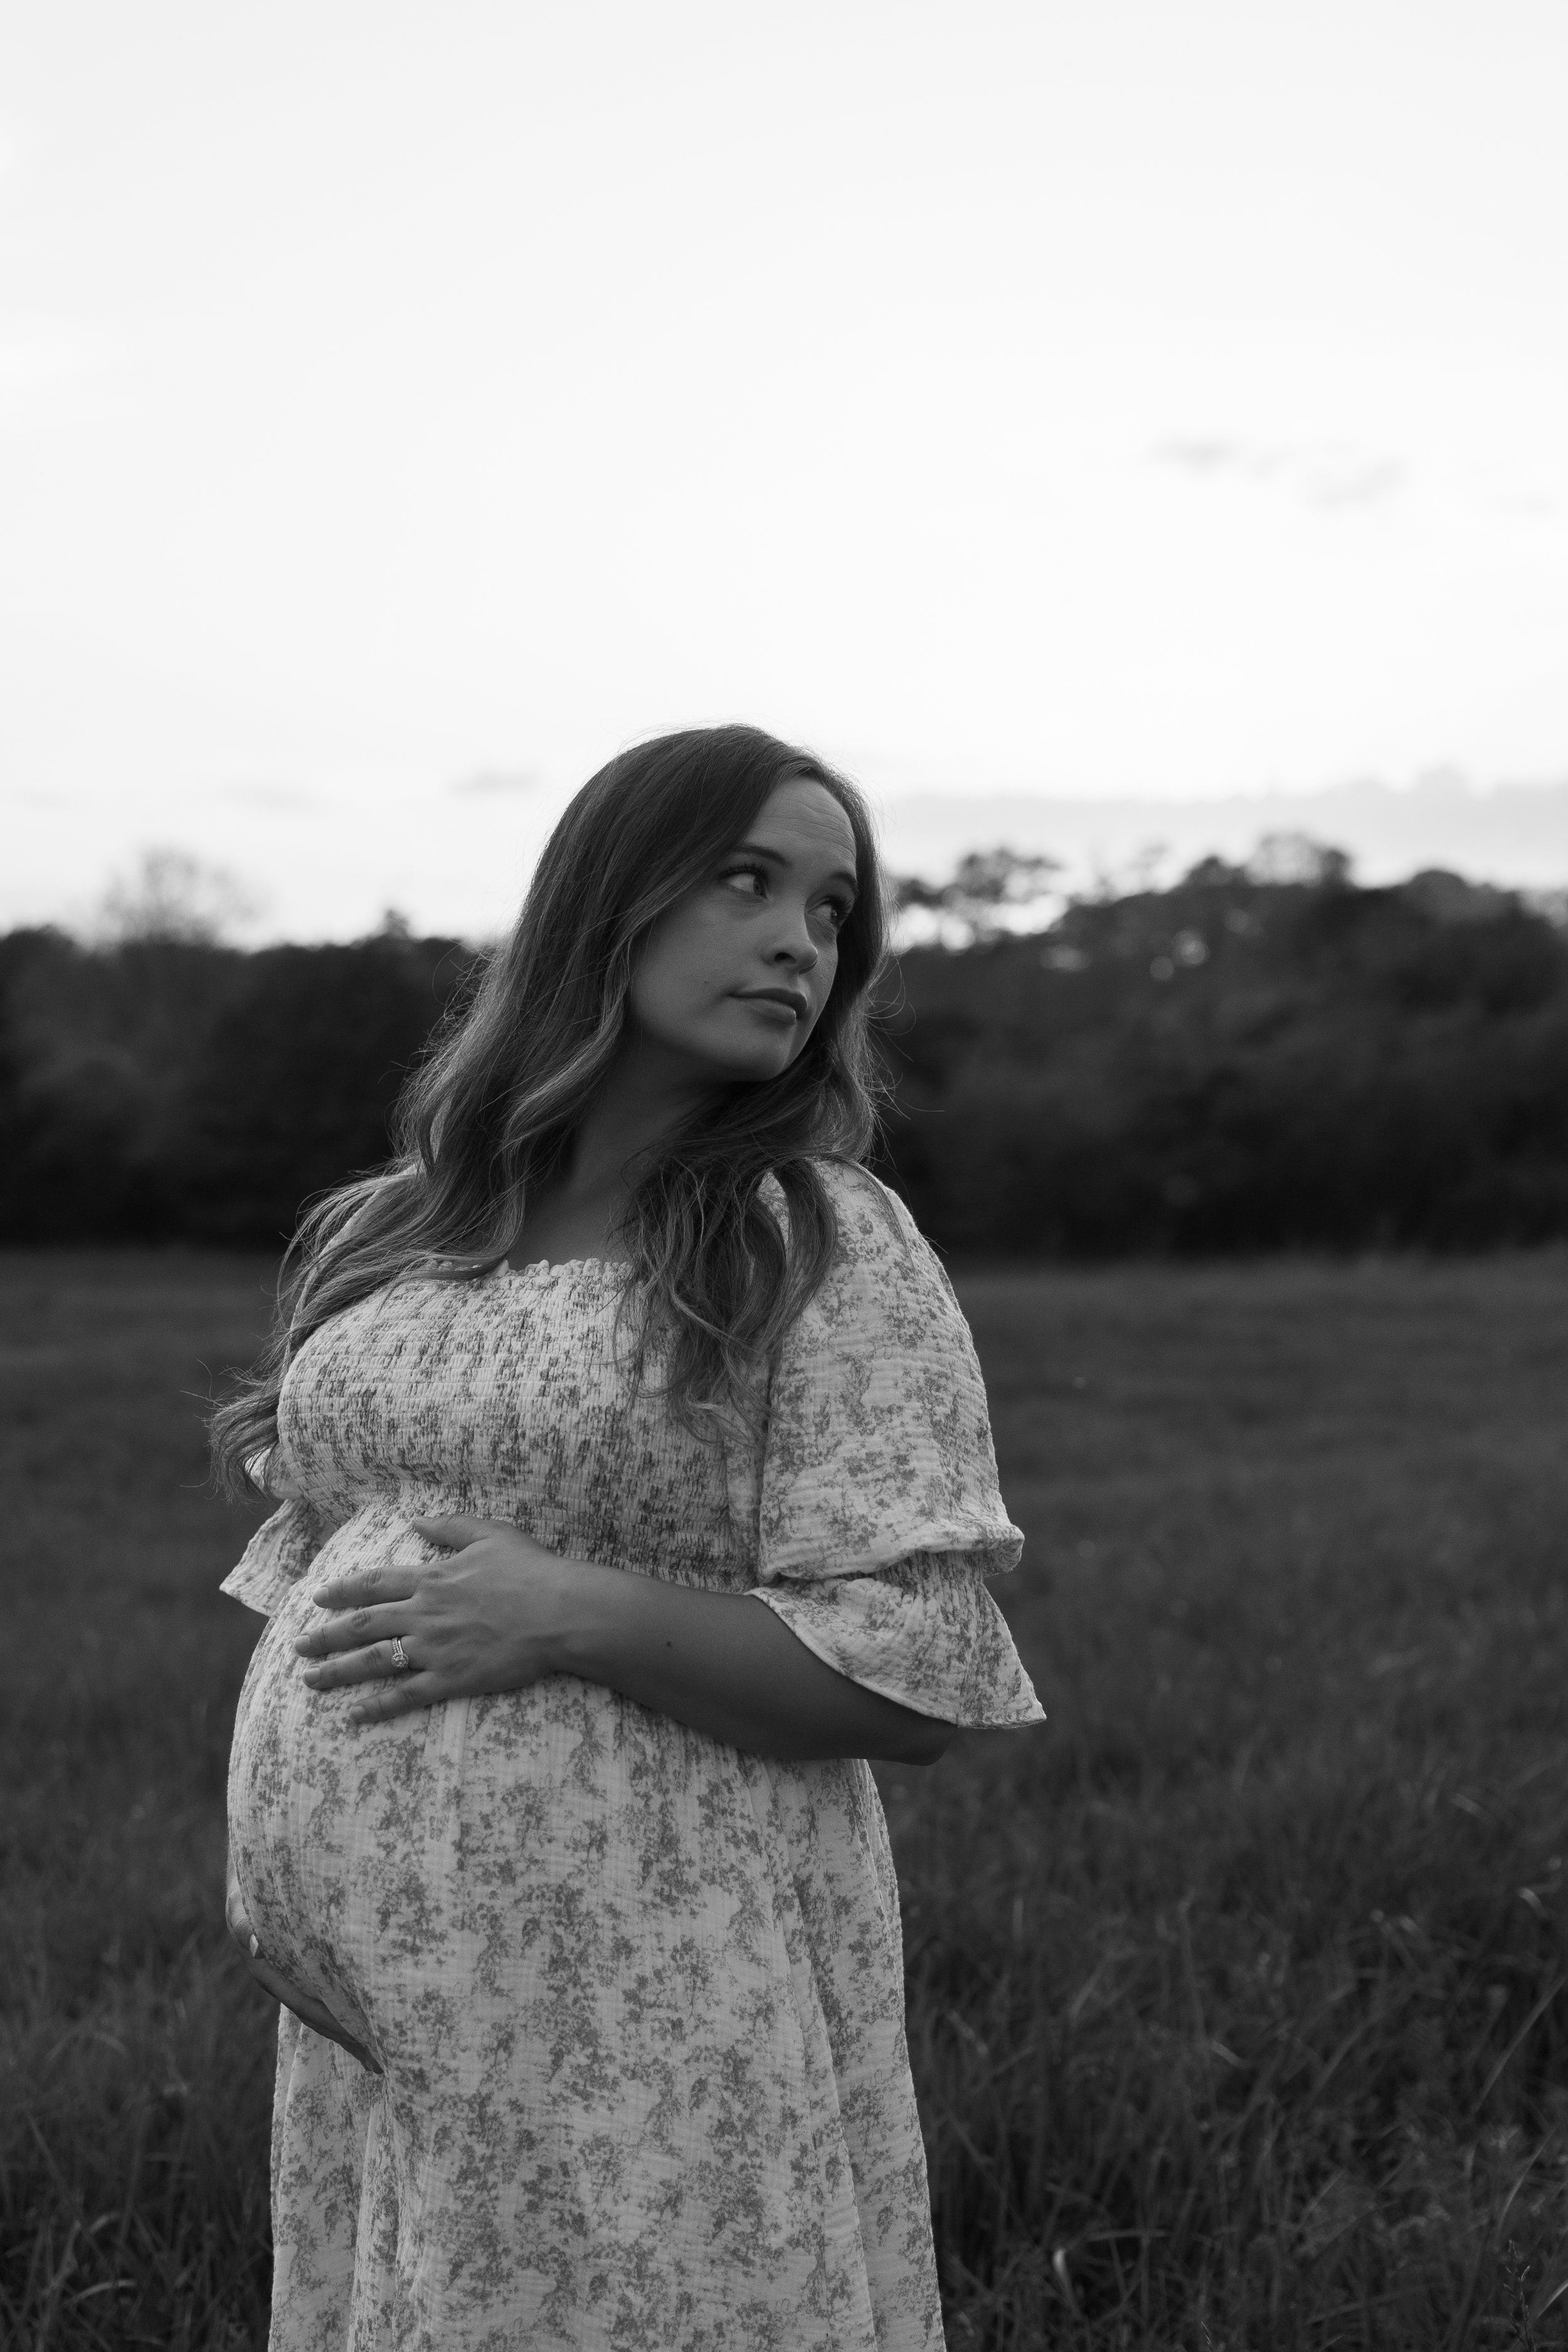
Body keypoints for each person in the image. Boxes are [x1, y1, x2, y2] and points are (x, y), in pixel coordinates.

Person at [213, 724, 1043, 2352]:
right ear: (610, 896)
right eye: (746, 880)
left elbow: (915, 1679)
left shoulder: (808, 1239)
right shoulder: (397, 1230)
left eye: (830, 908)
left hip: (653, 1989)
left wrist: (567, 1612)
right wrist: (291, 1883)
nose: (800, 940)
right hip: (390, 2024)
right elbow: (314, 1590)